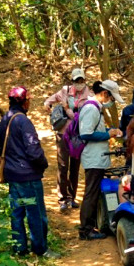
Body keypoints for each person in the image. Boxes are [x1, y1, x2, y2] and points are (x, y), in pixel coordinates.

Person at [0, 86, 58, 258]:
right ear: (23, 102)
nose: (30, 102)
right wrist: (43, 163)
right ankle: (40, 249)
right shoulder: (23, 121)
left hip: (12, 176)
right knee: (35, 213)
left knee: (16, 212)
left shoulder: (4, 120)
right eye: (29, 99)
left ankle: (19, 248)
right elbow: (33, 150)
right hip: (29, 177)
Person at [78, 79, 124, 240]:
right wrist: (108, 134)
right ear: (105, 94)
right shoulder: (91, 108)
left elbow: (94, 129)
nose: (111, 102)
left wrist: (109, 130)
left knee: (94, 191)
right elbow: (85, 133)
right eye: (111, 99)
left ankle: (90, 226)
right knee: (91, 193)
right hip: (93, 158)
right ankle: (85, 230)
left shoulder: (96, 108)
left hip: (97, 157)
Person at [44, 68, 93, 211]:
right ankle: (62, 199)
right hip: (63, 133)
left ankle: (72, 197)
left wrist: (66, 108)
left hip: (77, 134)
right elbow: (49, 100)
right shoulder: (64, 91)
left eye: (81, 80)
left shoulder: (88, 95)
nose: (79, 83)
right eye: (76, 81)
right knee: (63, 165)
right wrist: (48, 105)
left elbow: (78, 116)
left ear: (84, 80)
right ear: (72, 81)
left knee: (75, 166)